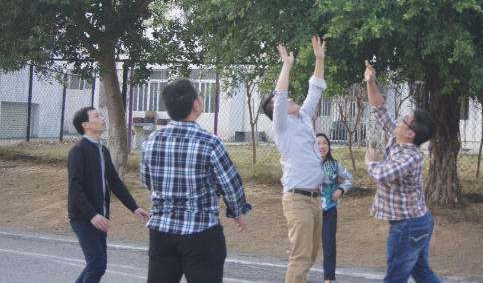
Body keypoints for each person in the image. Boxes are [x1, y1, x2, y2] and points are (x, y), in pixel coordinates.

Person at [140, 78, 252, 283]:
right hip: (201, 231)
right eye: (199, 94)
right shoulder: (210, 142)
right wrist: (238, 212)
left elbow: (147, 181)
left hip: (161, 230)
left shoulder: (151, 141)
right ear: (196, 105)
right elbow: (230, 184)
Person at [362, 61, 444, 283]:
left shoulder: (411, 157)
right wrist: (371, 82)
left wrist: (370, 163)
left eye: (404, 120)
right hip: (415, 222)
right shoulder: (396, 138)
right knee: (422, 273)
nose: (399, 120)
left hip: (409, 226)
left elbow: (383, 174)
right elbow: (380, 109)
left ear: (410, 134)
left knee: (395, 278)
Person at [260, 36, 328, 283]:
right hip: (297, 198)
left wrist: (319, 60)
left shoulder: (303, 117)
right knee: (300, 256)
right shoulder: (282, 127)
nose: (290, 99)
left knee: (310, 255)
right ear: (277, 111)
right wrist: (286, 65)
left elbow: (315, 90)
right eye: (284, 102)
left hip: (315, 198)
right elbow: (280, 97)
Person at [68, 107, 150, 283]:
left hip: (100, 217)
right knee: (97, 264)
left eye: (101, 115)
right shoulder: (78, 150)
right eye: (96, 116)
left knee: (96, 264)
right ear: (85, 124)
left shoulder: (103, 150)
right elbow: (75, 188)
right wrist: (92, 215)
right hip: (84, 218)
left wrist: (134, 207)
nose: (102, 118)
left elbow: (114, 182)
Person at [316, 133, 354, 283]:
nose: (321, 146)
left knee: (329, 245)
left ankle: (328, 279)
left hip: (329, 210)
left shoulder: (335, 164)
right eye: (318, 143)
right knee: (306, 245)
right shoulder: (306, 164)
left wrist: (340, 190)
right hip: (309, 211)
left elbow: (349, 178)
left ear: (329, 146)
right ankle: (299, 277)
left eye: (325, 143)